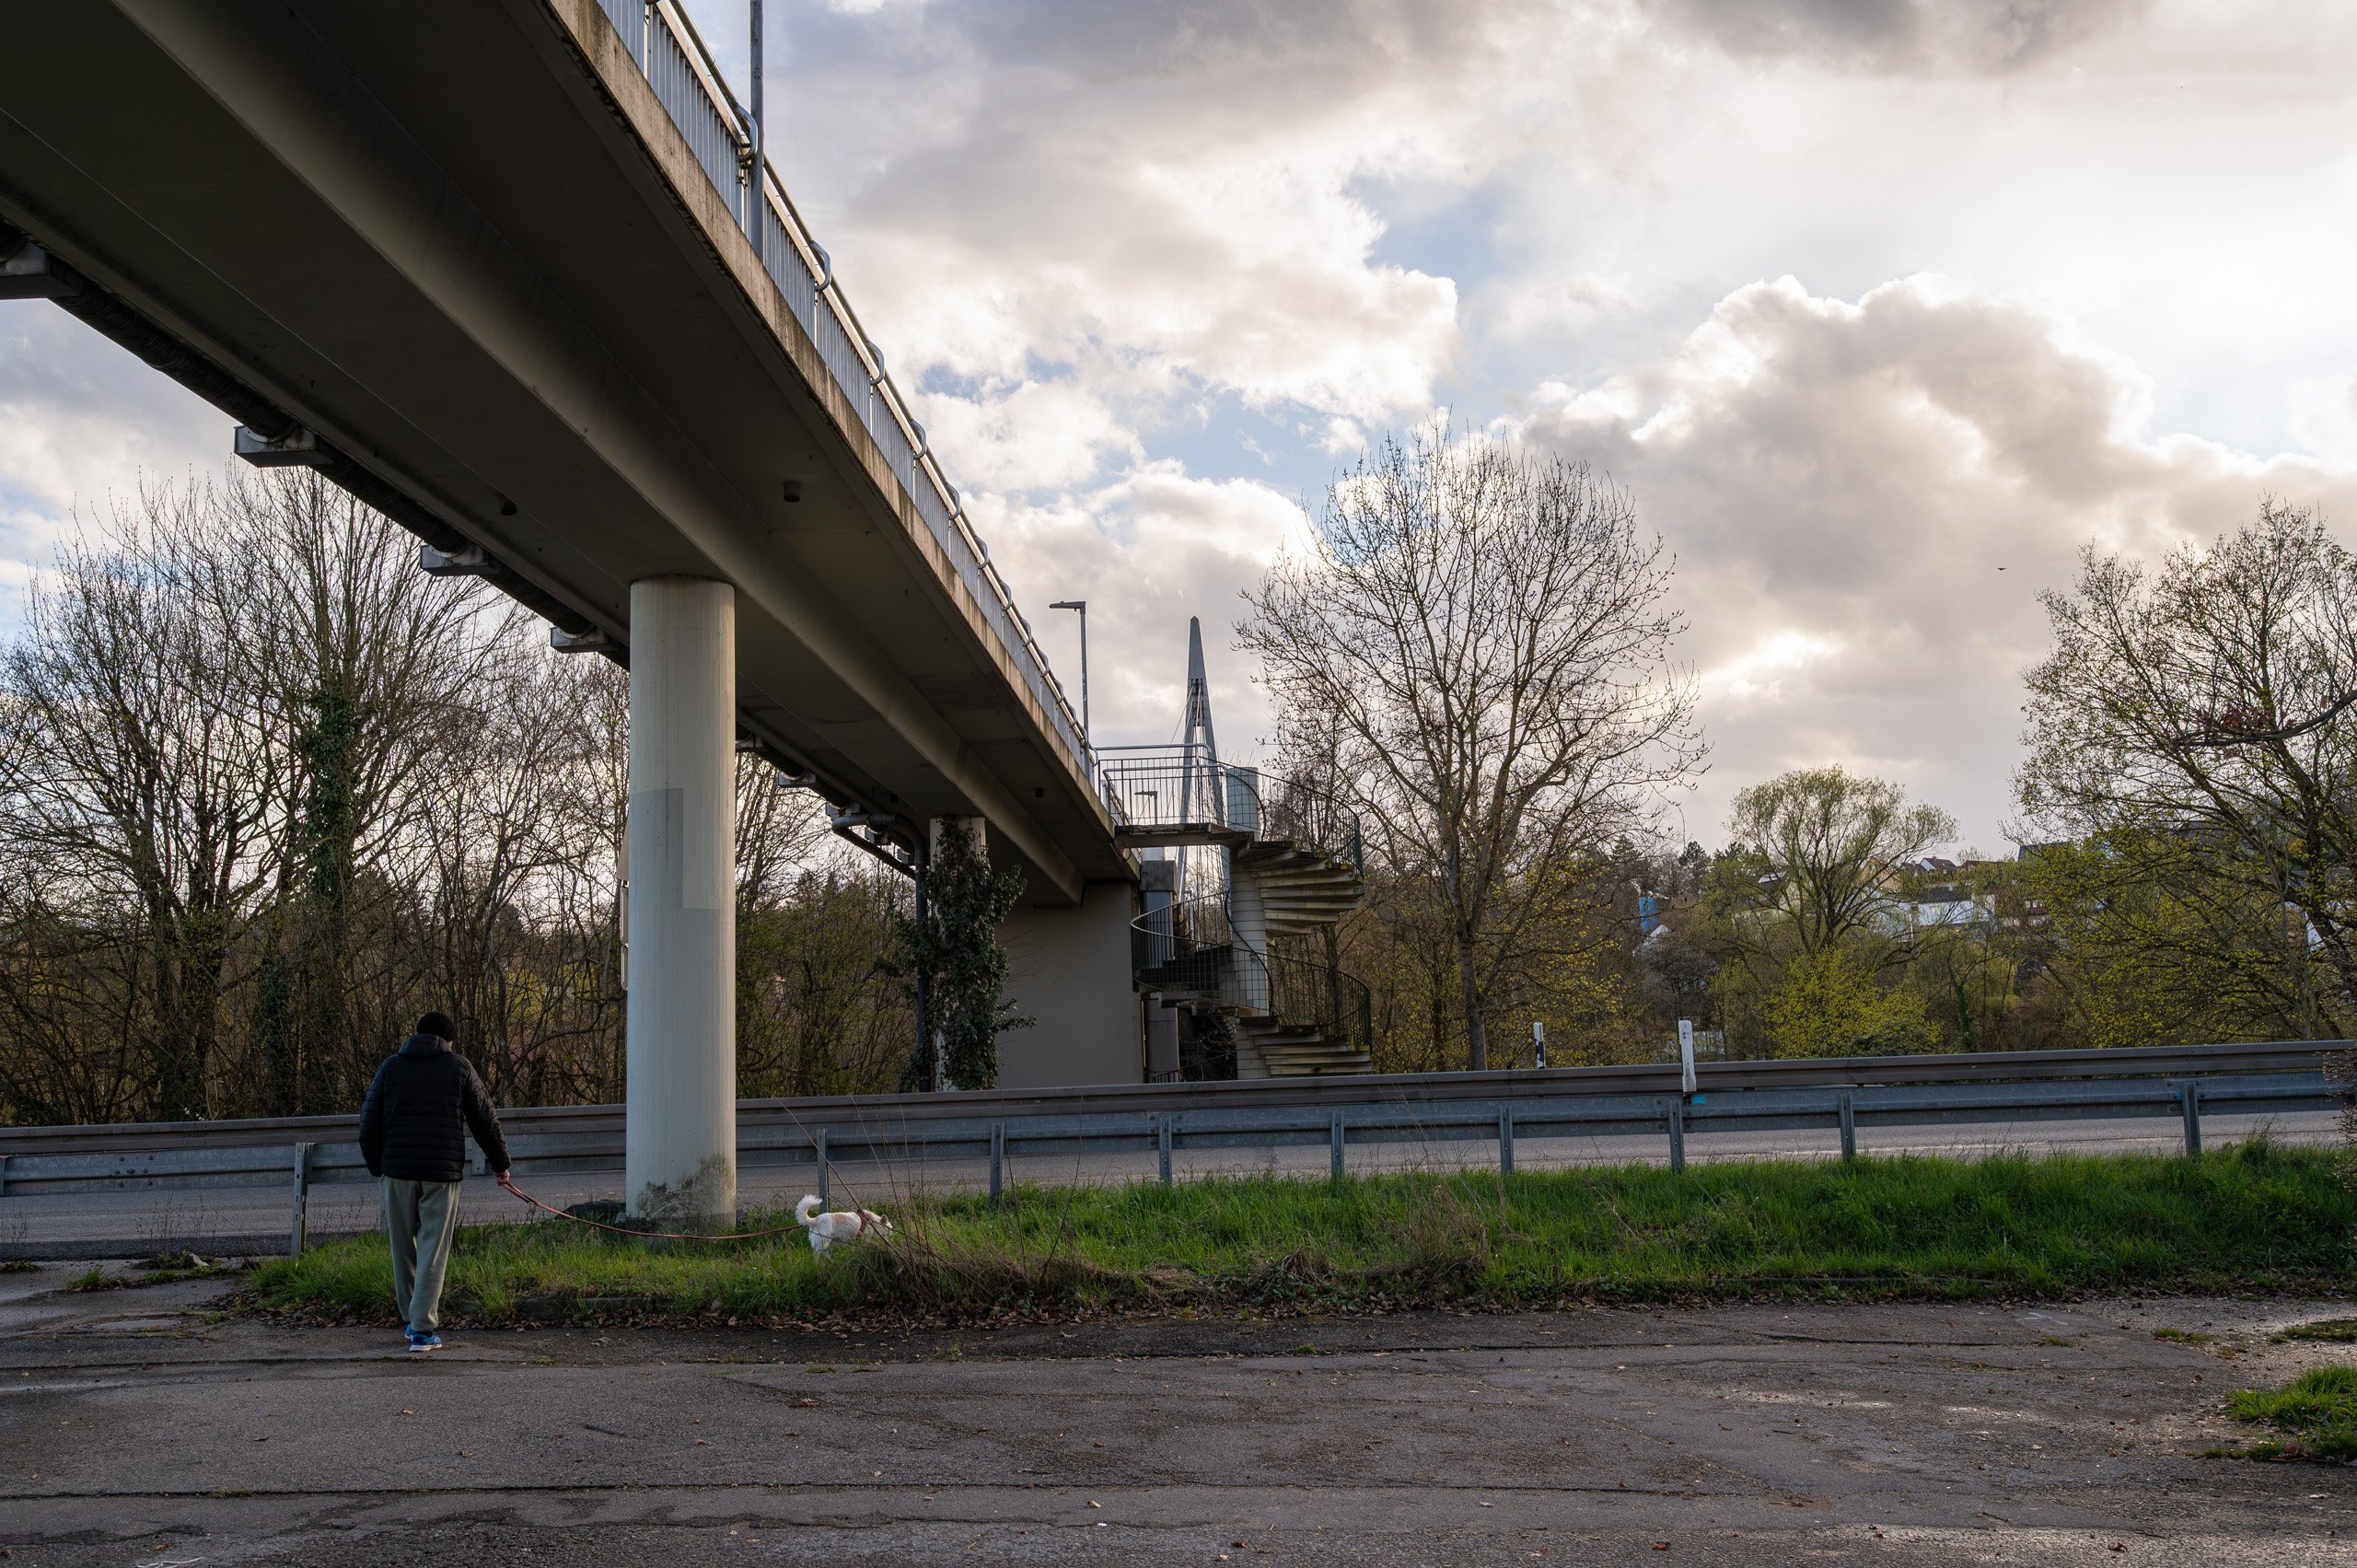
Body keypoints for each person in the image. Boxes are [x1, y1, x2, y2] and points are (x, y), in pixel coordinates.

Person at [357, 1010, 515, 1353]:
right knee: (433, 1249)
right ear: (449, 1040)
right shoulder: (458, 1067)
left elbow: (368, 1122)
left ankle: (411, 1320)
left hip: (396, 1171)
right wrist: (500, 1163)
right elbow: (484, 1119)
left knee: (403, 1248)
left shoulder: (391, 1067)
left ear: (415, 1035)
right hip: (441, 1174)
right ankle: (423, 1330)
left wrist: (377, 1166)